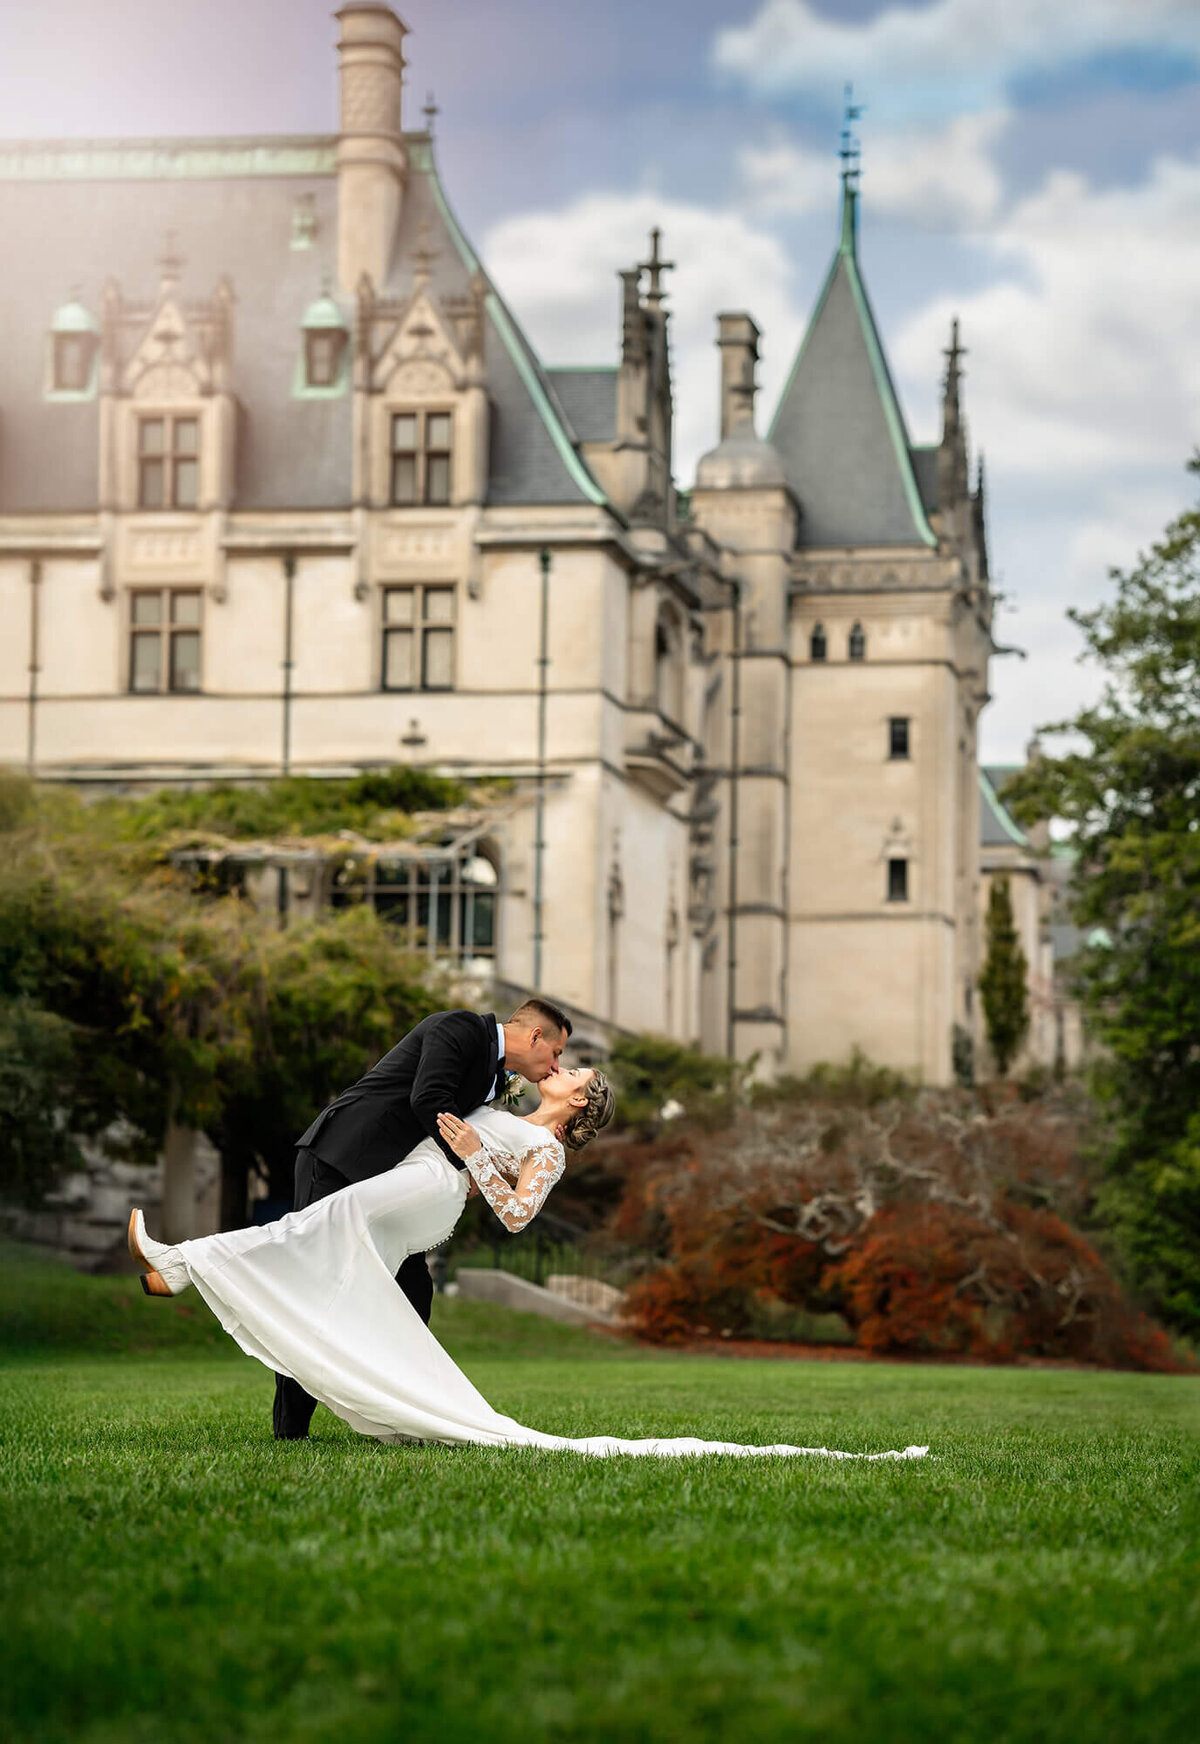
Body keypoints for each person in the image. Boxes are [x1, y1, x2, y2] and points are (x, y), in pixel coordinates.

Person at [128, 1067, 928, 1463]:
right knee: (326, 1253)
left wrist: (477, 1155)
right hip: (420, 1178)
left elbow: (514, 1216)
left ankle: (183, 1264)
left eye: (576, 1073)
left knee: (325, 1220)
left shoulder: (544, 1150)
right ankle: (362, 1388)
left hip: (437, 1192)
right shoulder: (510, 1105)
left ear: (580, 1103)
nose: (564, 1069)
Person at [273, 998, 569, 1439]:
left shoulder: (494, 1077)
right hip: (340, 1160)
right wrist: (467, 1163)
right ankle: (291, 1429)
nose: (556, 1063)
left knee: (414, 1292)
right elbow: (428, 1098)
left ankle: (404, 1412)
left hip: (388, 1186)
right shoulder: (462, 1029)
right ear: (534, 1036)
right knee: (320, 1290)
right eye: (557, 1052)